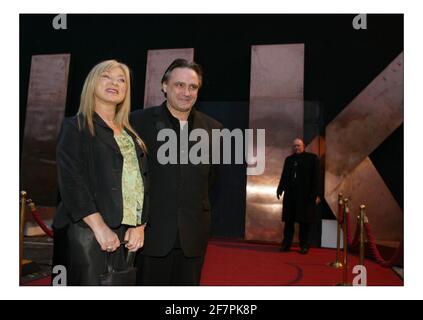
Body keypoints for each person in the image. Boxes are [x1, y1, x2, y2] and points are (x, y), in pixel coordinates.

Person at [52, 60, 149, 285]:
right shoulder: (76, 126)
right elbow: (71, 182)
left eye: (121, 79)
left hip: (126, 233)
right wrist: (100, 228)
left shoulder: (131, 134)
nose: (114, 82)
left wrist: (139, 225)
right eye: (107, 76)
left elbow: (142, 182)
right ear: (92, 83)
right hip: (87, 229)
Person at [131, 59, 222, 285]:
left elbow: (210, 179)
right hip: (150, 234)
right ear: (164, 85)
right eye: (179, 85)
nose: (186, 92)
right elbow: (130, 177)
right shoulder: (137, 122)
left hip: (193, 234)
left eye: (193, 87)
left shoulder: (214, 129)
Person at [276, 138, 320, 254]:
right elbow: (284, 175)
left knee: (304, 222)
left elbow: (316, 177)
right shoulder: (289, 160)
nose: (296, 148)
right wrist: (280, 188)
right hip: (290, 195)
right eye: (294, 146)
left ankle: (304, 245)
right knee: (289, 221)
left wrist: (315, 193)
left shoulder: (312, 158)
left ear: (303, 146)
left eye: (298, 146)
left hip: (306, 196)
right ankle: (286, 244)